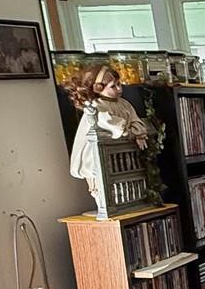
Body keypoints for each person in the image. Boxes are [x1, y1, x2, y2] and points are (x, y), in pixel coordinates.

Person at [64, 62, 150, 198]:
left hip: (121, 149)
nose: (119, 89)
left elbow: (136, 121)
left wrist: (138, 133)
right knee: (105, 182)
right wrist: (130, 132)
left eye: (119, 84)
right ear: (98, 88)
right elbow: (112, 124)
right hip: (103, 149)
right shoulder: (97, 106)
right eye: (113, 86)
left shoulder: (124, 104)